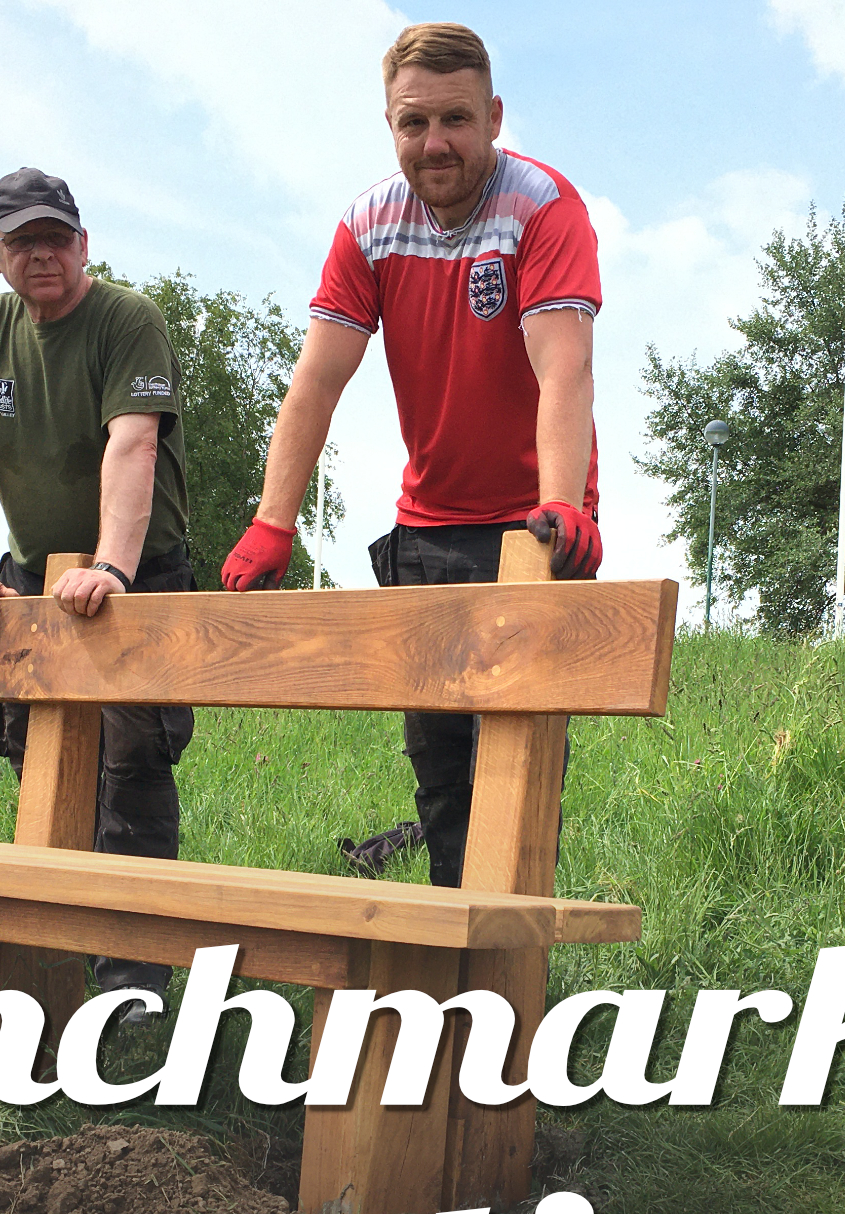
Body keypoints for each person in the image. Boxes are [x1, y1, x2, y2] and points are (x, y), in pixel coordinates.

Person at [221, 22, 602, 889]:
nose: (436, 144)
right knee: (438, 765)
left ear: (494, 116)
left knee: (513, 753)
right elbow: (316, 383)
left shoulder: (542, 207)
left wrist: (562, 505)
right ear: (389, 125)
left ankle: (510, 968)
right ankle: (449, 961)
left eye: (456, 120)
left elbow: (563, 366)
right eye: (413, 122)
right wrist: (271, 523)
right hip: (426, 524)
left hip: (529, 520)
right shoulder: (368, 225)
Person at [0, 167, 195, 1012]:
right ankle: (56, 966)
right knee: (37, 760)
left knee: (132, 762)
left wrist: (112, 568)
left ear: (84, 244)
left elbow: (134, 445)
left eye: (55, 237)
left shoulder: (126, 319)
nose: (41, 253)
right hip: (31, 578)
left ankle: (131, 982)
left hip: (136, 574)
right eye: (22, 241)